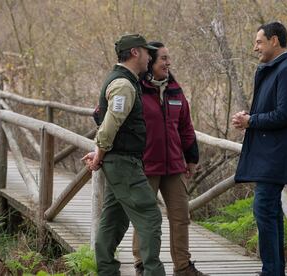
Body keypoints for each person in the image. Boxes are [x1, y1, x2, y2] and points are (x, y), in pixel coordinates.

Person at [82, 34, 166, 276]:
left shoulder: (127, 81)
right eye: (147, 51)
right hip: (124, 164)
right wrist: (99, 153)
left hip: (121, 162)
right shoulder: (123, 85)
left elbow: (110, 125)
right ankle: (152, 272)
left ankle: (106, 270)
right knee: (150, 216)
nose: (150, 57)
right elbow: (110, 124)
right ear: (135, 53)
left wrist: (100, 152)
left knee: (113, 219)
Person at [232, 22, 287, 276]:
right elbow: (272, 110)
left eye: (259, 42)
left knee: (264, 208)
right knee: (269, 210)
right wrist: (249, 116)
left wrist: (251, 121)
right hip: (268, 153)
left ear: (274, 41)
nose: (255, 48)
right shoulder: (274, 70)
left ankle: (271, 271)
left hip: (277, 155)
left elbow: (285, 115)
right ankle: (274, 271)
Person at [131, 41, 208, 276]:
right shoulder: (135, 88)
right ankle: (142, 265)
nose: (168, 63)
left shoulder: (175, 89)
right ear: (150, 62)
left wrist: (191, 157)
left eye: (168, 58)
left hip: (174, 165)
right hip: (147, 166)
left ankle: (183, 267)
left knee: (181, 217)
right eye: (163, 58)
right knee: (145, 218)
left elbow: (186, 126)